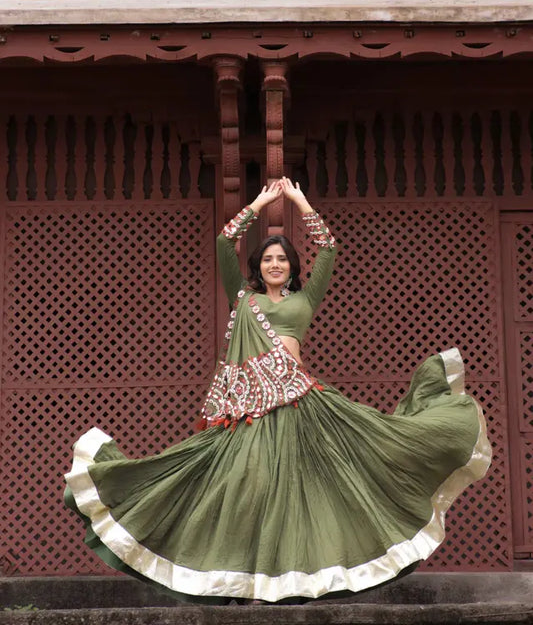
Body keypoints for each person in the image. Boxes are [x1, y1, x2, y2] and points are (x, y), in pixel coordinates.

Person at [64, 177, 491, 603]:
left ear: (292, 268)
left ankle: (295, 581)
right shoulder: (243, 298)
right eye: (267, 259)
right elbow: (222, 242)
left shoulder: (305, 300)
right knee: (247, 484)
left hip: (301, 401)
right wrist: (258, 203)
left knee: (318, 484)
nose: (274, 264)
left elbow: (329, 249)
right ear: (258, 266)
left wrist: (300, 200)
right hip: (250, 408)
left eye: (282, 259)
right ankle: (237, 579)